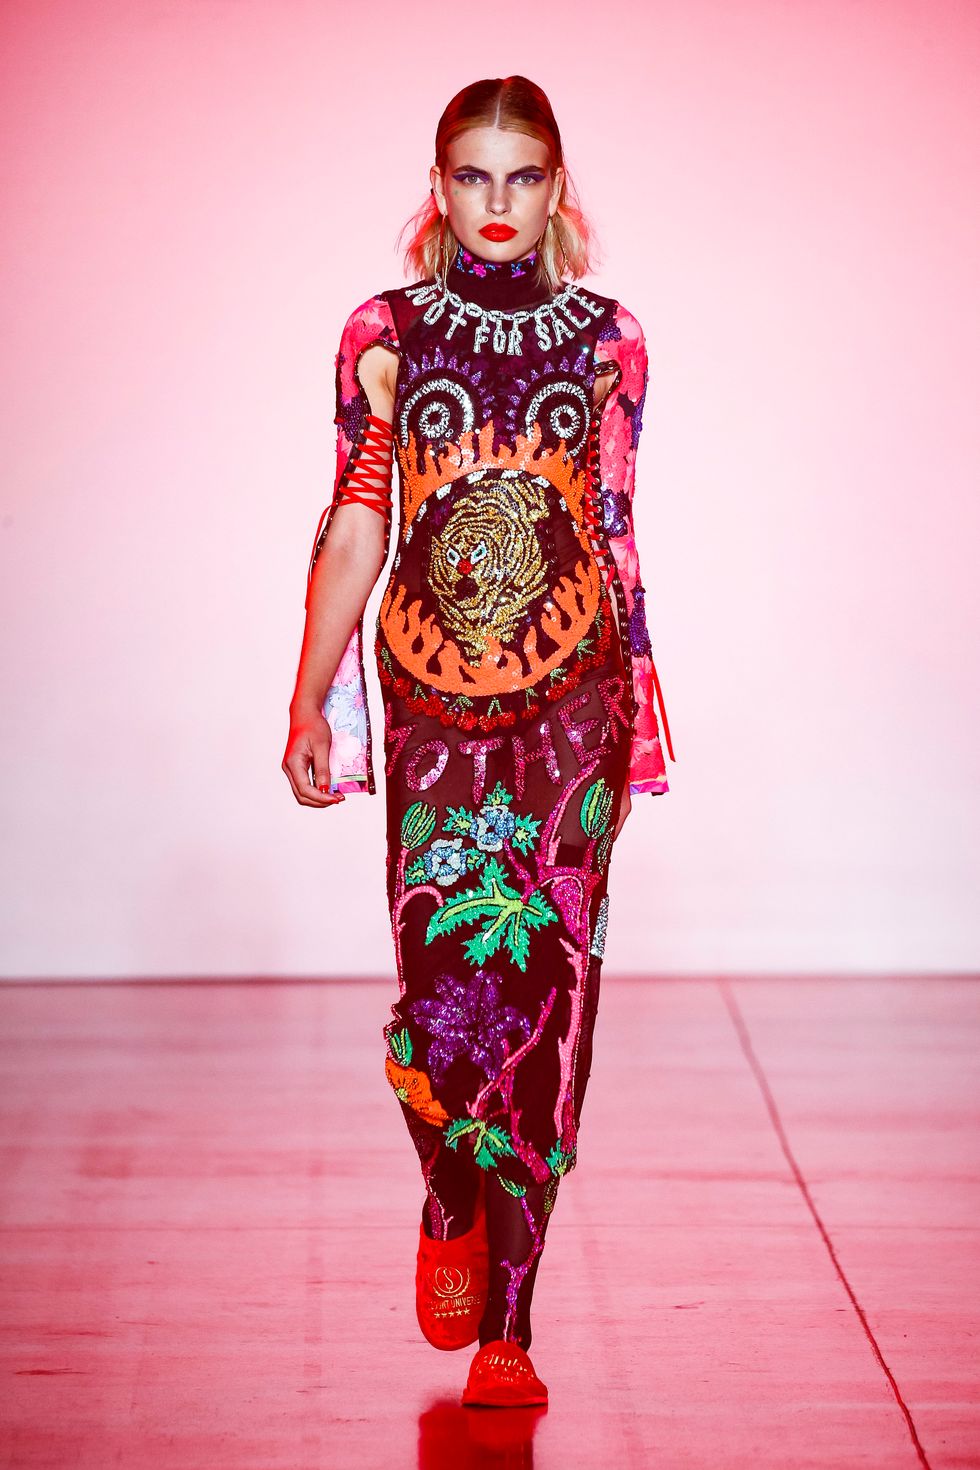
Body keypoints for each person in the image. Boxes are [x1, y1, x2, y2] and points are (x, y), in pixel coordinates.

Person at [282, 75, 675, 1409]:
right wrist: (311, 694)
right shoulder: (383, 332)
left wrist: (642, 706)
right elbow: (357, 518)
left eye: (523, 176)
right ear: (438, 187)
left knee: (552, 999)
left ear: (557, 190)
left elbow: (613, 530)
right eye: (471, 176)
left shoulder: (611, 339)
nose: (497, 202)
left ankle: (512, 1323)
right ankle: (451, 1184)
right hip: (431, 697)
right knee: (440, 999)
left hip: (575, 698)